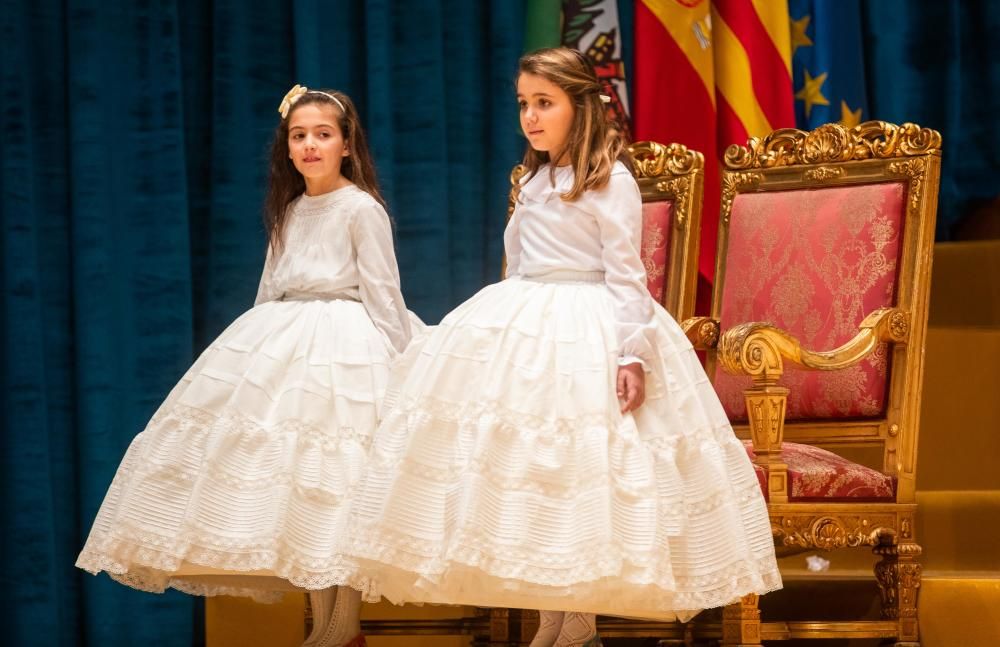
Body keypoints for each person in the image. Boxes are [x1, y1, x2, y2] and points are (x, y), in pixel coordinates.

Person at [341, 48, 782, 647]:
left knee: (581, 468)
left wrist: (632, 353)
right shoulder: (534, 180)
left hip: (591, 327)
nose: (530, 116)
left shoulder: (610, 180)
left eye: (544, 103)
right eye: (524, 104)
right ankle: (554, 624)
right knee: (527, 471)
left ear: (582, 106)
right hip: (528, 319)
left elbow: (627, 276)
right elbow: (518, 262)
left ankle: (575, 626)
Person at [76, 85, 418, 647]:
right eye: (299, 136)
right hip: (288, 338)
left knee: (340, 476)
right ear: (287, 148)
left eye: (323, 135)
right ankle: (329, 629)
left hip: (343, 346)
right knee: (302, 482)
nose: (310, 145)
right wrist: (254, 357)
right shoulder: (289, 211)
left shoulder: (362, 209)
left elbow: (384, 294)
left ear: (347, 145)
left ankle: (344, 626)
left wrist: (403, 367)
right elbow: (268, 291)